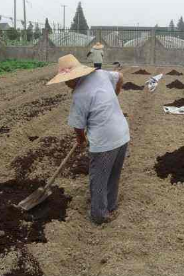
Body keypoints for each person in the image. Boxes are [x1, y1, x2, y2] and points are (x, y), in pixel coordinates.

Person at [47, 54, 129, 224]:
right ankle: (110, 205)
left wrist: (81, 139)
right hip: (122, 133)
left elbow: (78, 126)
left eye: (66, 80)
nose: (65, 83)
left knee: (98, 178)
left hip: (104, 141)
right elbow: (120, 76)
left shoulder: (79, 94)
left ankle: (99, 215)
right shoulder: (100, 74)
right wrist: (114, 95)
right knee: (113, 174)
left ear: (75, 77)